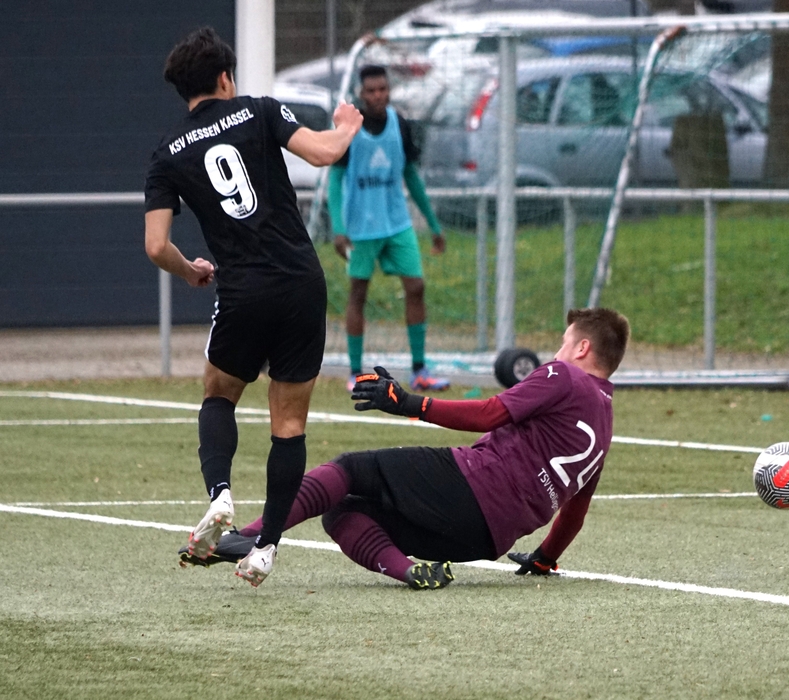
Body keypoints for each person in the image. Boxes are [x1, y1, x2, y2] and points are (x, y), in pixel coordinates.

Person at [179, 309, 631, 590]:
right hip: (486, 539)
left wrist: (408, 403)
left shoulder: (564, 376)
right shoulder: (606, 422)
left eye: (563, 343)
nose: (557, 351)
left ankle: (253, 535)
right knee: (339, 510)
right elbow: (576, 510)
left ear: (582, 347)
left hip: (477, 487)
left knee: (349, 469)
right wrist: (545, 557)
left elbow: (491, 413)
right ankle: (409, 571)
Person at [145, 27, 363, 587]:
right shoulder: (260, 111)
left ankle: (220, 496)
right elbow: (324, 153)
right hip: (300, 284)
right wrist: (346, 126)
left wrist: (190, 269)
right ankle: (265, 549)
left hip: (243, 291)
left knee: (219, 393)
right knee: (288, 423)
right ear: (225, 78)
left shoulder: (167, 153)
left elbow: (155, 246)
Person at [327, 64, 450, 394]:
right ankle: (355, 372)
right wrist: (339, 229)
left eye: (383, 89)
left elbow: (411, 176)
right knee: (358, 293)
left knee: (416, 286)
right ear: (361, 94)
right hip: (361, 228)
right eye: (371, 91)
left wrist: (433, 224)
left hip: (397, 223)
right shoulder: (350, 129)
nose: (378, 95)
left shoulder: (401, 125)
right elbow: (336, 180)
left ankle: (419, 369)